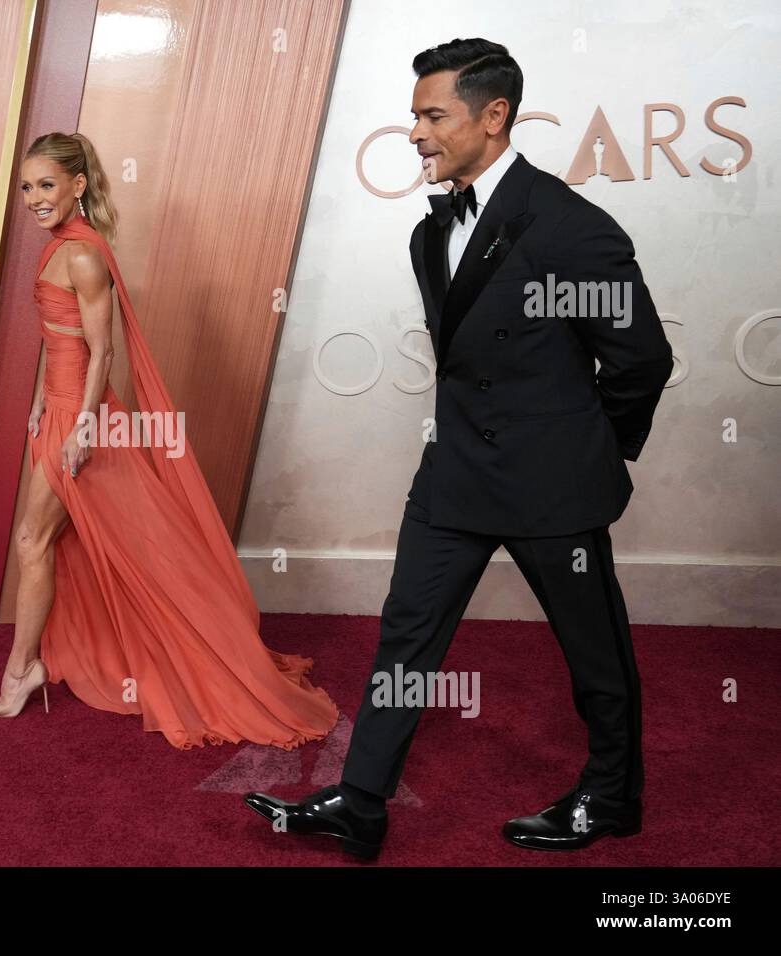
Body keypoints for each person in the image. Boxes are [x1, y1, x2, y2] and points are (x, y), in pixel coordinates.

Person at [244, 38, 674, 859]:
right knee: (407, 636)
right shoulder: (428, 232)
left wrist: (591, 449)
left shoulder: (569, 226)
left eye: (433, 115)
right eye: (413, 116)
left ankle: (613, 796)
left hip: (553, 482)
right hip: (456, 474)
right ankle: (362, 800)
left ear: (494, 115)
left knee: (594, 653)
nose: (416, 134)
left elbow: (640, 358)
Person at [0, 132, 339, 751]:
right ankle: (29, 666)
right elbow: (60, 337)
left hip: (79, 419)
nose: (34, 198)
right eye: (27, 188)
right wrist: (38, 395)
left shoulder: (83, 254)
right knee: (63, 544)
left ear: (78, 185)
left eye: (46, 185)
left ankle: (22, 672)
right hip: (59, 409)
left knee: (39, 540)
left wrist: (84, 424)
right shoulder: (57, 247)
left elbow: (103, 351)